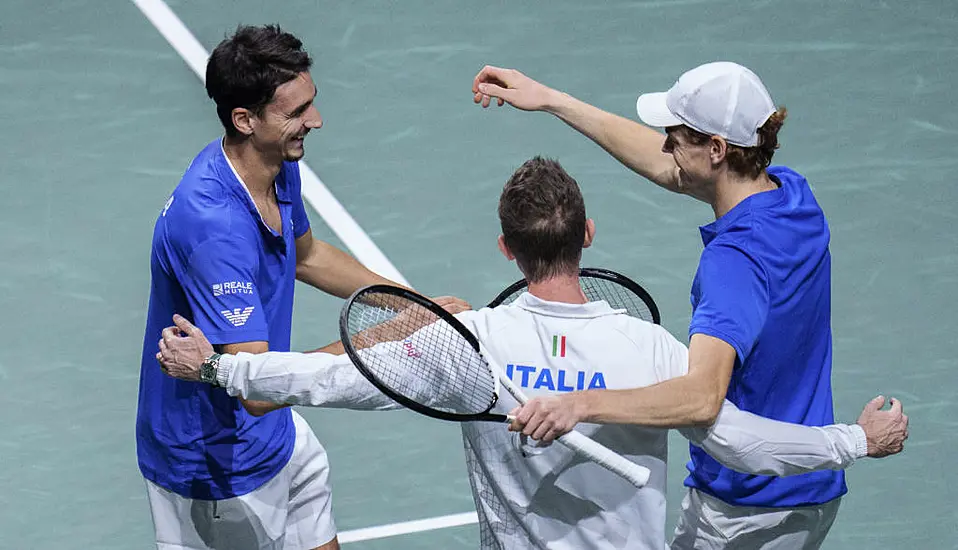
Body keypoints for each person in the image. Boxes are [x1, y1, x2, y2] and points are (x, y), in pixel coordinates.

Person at [154, 157, 907, 550]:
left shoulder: (474, 344)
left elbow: (332, 378)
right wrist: (855, 442)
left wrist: (219, 367)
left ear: (508, 249)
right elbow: (742, 444)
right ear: (587, 235)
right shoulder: (651, 350)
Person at [471, 63, 909, 548]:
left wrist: (579, 404)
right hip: (807, 484)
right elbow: (672, 171)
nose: (664, 146)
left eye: (676, 135)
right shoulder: (790, 195)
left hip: (747, 507)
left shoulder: (732, 265)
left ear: (717, 150)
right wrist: (554, 100)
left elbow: (701, 400)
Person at [136, 24, 466, 550]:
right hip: (216, 469)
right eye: (295, 114)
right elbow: (258, 387)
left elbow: (307, 256)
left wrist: (409, 303)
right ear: (244, 120)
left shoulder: (271, 163)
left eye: (310, 103)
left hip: (277, 439)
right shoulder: (213, 225)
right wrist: (391, 333)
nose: (314, 121)